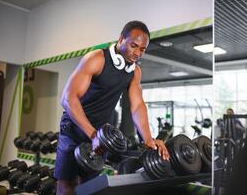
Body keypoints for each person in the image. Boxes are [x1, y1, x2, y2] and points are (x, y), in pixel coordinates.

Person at [54, 20, 170, 195]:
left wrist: (148, 140)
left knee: (90, 186)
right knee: (67, 185)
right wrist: (93, 135)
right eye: (134, 46)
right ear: (121, 39)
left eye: (142, 49)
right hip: (74, 127)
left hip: (101, 133)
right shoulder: (97, 59)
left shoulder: (134, 71)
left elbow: (137, 105)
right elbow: (68, 98)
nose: (137, 53)